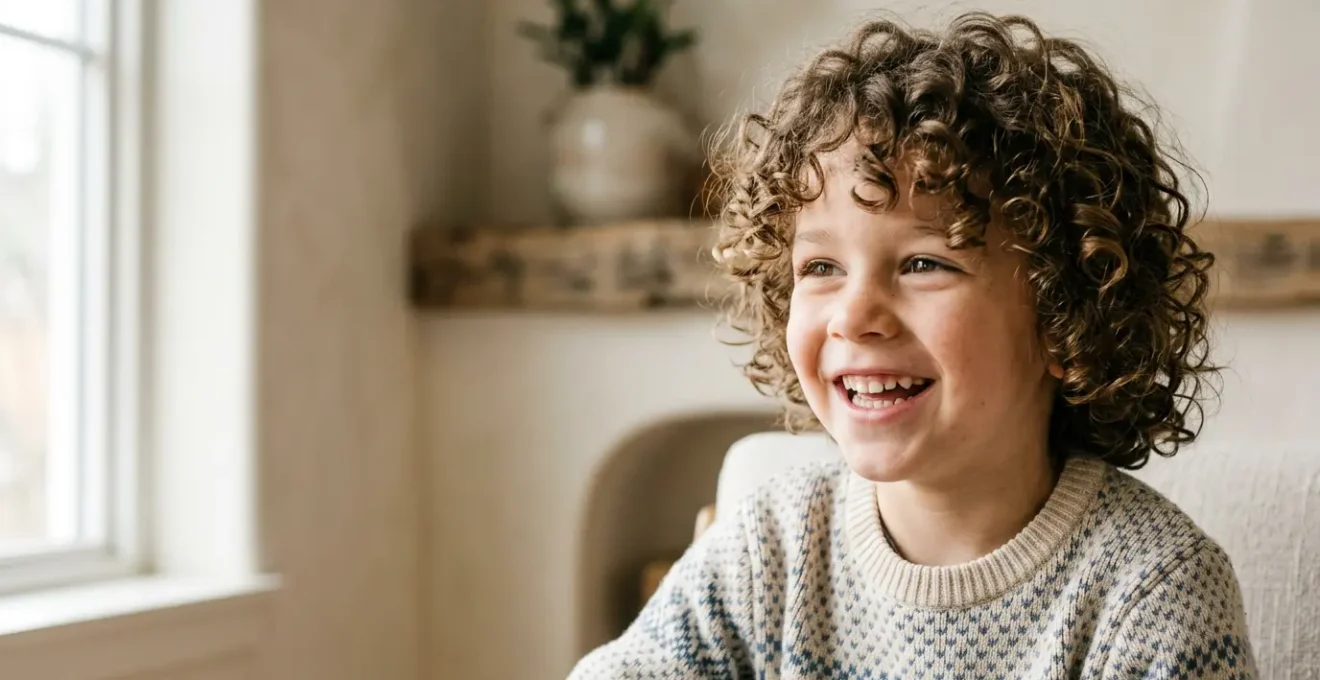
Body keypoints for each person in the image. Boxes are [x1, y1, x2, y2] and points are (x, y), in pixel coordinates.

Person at [569, 11, 1255, 679]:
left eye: (924, 264)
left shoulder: (1152, 591)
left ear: (1065, 315)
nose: (854, 315)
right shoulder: (770, 547)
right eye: (821, 268)